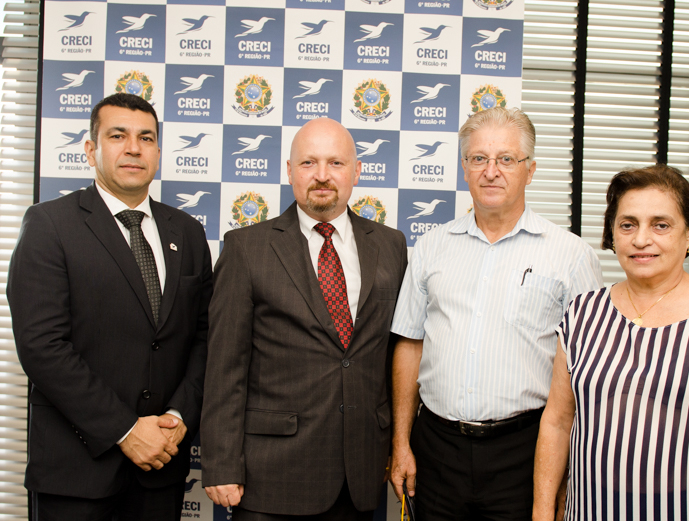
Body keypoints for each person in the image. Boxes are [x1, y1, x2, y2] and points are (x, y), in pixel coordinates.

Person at [389, 107, 603, 520]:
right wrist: (401, 442)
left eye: (506, 159)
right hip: (437, 449)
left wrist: (569, 471)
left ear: (530, 169)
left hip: (524, 451)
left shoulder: (571, 256)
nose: (491, 171)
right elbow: (410, 344)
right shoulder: (431, 247)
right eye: (479, 159)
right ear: (464, 168)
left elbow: (588, 370)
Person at [7, 93, 213, 520]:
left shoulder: (188, 232)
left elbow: (204, 337)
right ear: (90, 149)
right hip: (76, 472)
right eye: (118, 136)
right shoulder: (49, 224)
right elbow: (42, 346)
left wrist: (177, 417)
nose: (134, 148)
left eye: (146, 138)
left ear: (158, 151)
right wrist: (125, 430)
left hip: (162, 466)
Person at [533, 164, 689, 521]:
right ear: (612, 232)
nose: (641, 239)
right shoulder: (582, 314)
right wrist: (542, 512)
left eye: (660, 225)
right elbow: (557, 422)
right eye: (627, 224)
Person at [200, 117, 408, 520]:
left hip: (360, 474)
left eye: (336, 163)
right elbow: (225, 365)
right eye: (309, 163)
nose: (322, 175)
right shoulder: (247, 248)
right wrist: (222, 463)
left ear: (357, 172)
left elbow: (394, 353)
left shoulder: (390, 245)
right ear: (290, 171)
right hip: (271, 475)